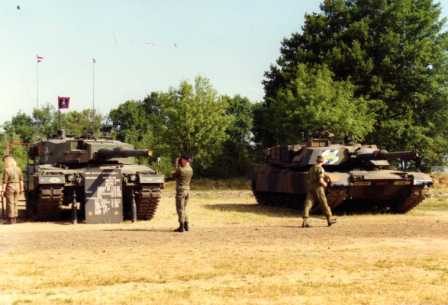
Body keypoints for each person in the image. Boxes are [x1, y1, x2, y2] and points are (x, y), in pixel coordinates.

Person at [302, 155, 337, 228]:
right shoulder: (320, 168)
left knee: (308, 203)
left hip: (311, 187)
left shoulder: (312, 168)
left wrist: (325, 176)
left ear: (316, 161)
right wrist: (325, 184)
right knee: (324, 203)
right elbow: (320, 179)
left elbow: (309, 177)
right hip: (318, 188)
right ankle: (329, 219)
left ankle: (305, 221)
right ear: (323, 161)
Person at [173, 155, 193, 232]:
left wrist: (176, 165)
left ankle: (181, 226)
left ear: (184, 160)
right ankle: (186, 225)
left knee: (180, 209)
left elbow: (174, 175)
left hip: (181, 191)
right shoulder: (190, 169)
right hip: (187, 190)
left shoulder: (180, 170)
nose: (180, 161)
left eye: (181, 160)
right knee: (184, 209)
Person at [1, 155, 24, 224]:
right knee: (15, 203)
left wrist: (2, 190)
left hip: (10, 187)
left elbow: (5, 182)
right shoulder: (18, 169)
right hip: (17, 186)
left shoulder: (6, 170)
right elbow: (21, 180)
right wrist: (21, 189)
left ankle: (11, 219)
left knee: (10, 203)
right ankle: (15, 218)